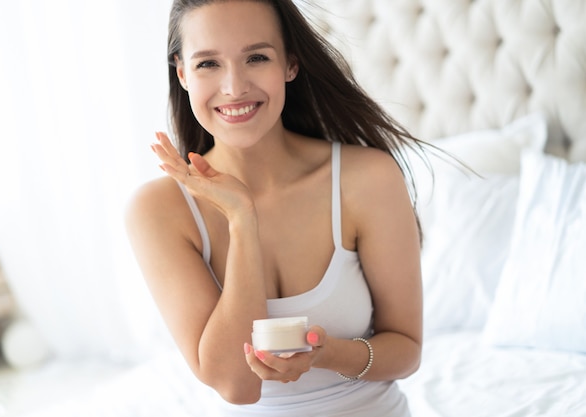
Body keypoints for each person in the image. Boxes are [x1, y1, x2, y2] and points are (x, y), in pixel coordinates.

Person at [125, 0, 423, 415]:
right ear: (182, 74)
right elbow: (237, 385)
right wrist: (242, 221)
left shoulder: (366, 179)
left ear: (290, 64)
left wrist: (325, 354)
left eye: (257, 57)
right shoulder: (158, 210)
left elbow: (407, 351)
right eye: (208, 63)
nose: (233, 87)